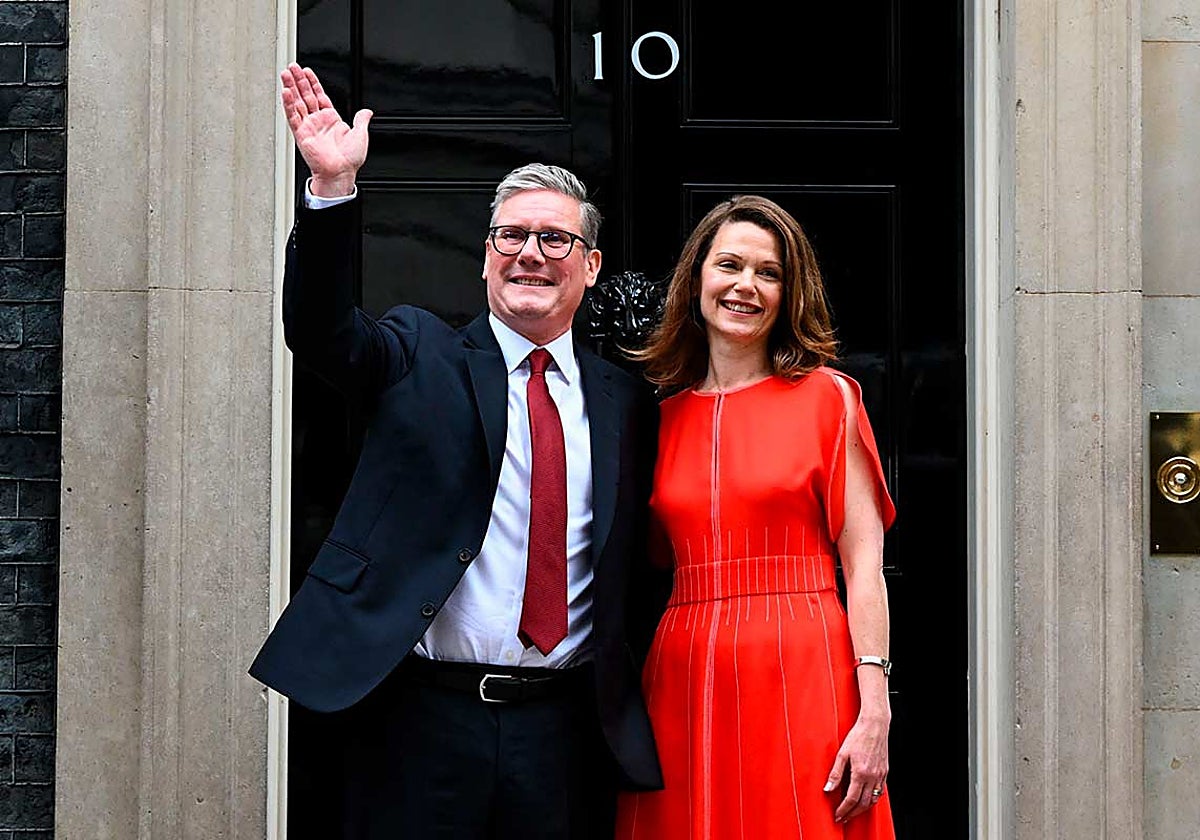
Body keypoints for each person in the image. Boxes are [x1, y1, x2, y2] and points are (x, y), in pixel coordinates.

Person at [250, 63, 664, 839]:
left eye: (555, 238)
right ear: (484, 257)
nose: (530, 253)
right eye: (512, 235)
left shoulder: (627, 403)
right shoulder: (417, 351)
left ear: (591, 265)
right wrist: (332, 189)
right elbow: (321, 330)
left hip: (566, 733)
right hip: (421, 725)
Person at [614, 195, 897, 838]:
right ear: (696, 280)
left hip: (803, 661)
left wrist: (874, 707)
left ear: (787, 294)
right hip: (683, 671)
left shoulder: (829, 398)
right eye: (730, 265)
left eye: (768, 273)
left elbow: (864, 567)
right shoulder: (657, 420)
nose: (746, 285)